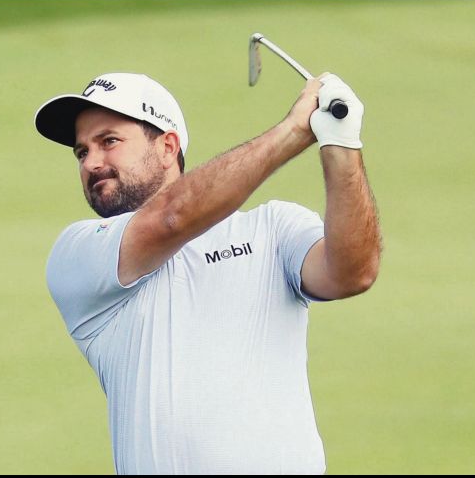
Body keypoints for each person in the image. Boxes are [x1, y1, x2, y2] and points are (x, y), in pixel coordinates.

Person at [34, 71, 381, 474]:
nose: (92, 163)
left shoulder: (272, 227)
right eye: (81, 152)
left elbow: (352, 273)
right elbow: (171, 218)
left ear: (167, 147)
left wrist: (342, 146)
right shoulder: (79, 253)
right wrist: (293, 131)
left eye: (108, 142)